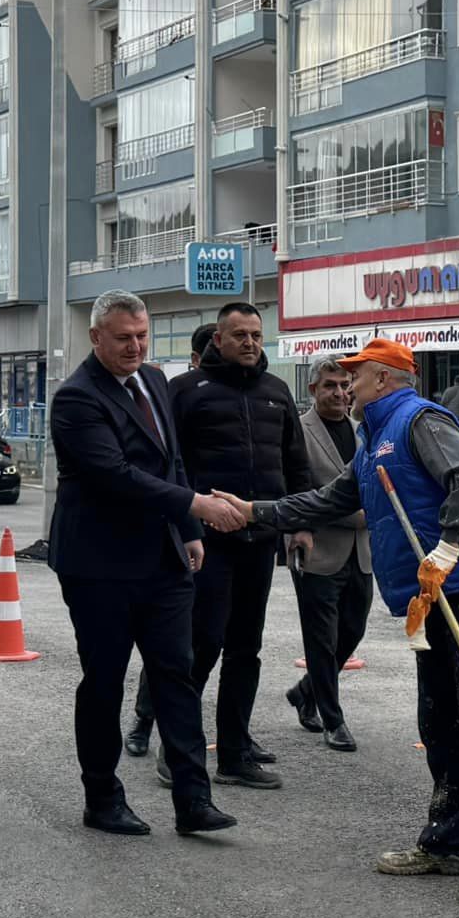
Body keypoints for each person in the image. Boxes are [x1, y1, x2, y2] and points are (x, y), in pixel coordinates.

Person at [217, 337, 459, 906]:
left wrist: (447, 549)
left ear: (383, 380)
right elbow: (326, 501)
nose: (348, 384)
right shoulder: (373, 440)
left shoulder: (418, 421)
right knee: (438, 721)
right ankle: (444, 844)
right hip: (427, 600)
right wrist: (254, 512)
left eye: (356, 376)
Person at [48, 290, 240, 838]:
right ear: (95, 338)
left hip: (163, 557)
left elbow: (172, 459)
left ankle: (193, 800)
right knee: (104, 682)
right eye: (123, 338)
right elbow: (114, 475)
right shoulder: (76, 398)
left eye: (141, 336)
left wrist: (188, 530)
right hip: (100, 564)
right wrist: (195, 505)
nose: (135, 347)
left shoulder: (155, 380)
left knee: (176, 676)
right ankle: (102, 797)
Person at [158, 301, 312, 791]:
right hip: (208, 543)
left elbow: (296, 463)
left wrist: (300, 524)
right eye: (239, 335)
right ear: (217, 341)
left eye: (256, 335)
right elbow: (169, 466)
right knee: (203, 644)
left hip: (259, 540)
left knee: (247, 648)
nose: (249, 343)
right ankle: (175, 747)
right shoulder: (185, 391)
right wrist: (184, 527)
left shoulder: (276, 391)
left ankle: (234, 751)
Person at [124, 321, 216, 758]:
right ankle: (145, 721)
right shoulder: (178, 389)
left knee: (200, 644)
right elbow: (169, 461)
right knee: (170, 645)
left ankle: (190, 751)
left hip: (219, 527)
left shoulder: (262, 390)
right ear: (200, 356)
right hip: (178, 521)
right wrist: (189, 519)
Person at [282, 355, 372, 752]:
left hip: (361, 551)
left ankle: (306, 690)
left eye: (344, 385)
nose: (339, 393)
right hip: (317, 548)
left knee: (353, 629)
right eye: (330, 386)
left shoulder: (364, 431)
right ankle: (331, 719)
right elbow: (297, 491)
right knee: (321, 638)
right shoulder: (298, 432)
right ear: (312, 389)